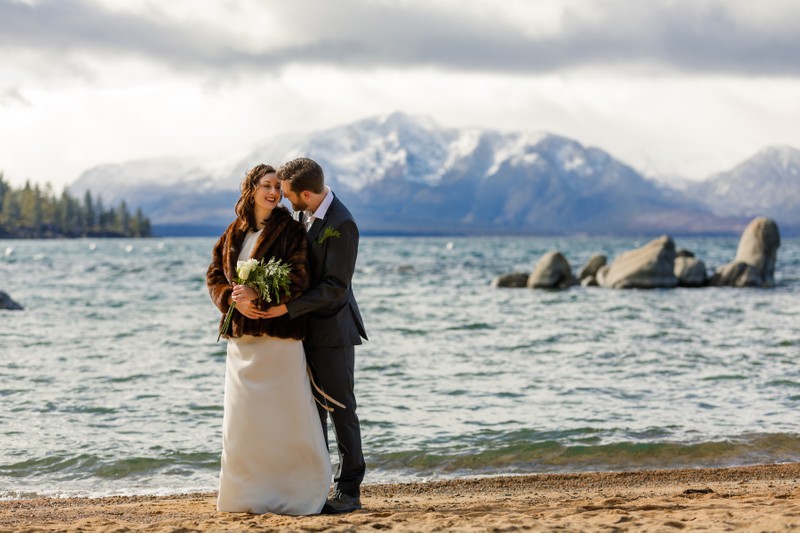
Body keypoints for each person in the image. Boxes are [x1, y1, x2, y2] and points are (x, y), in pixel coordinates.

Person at [206, 164, 331, 515]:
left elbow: (299, 278)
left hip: (279, 340)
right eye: (267, 185)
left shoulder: (291, 231)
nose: (274, 192)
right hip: (242, 343)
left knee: (286, 418)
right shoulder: (233, 231)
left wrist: (258, 297)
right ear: (251, 189)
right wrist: (229, 298)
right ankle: (246, 496)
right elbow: (215, 274)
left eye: (278, 186)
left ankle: (299, 492)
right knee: (245, 422)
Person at [263, 157, 368, 514]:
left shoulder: (343, 224)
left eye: (289, 194)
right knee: (312, 412)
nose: (285, 199)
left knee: (341, 410)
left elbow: (336, 288)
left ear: (306, 193)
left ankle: (349, 490)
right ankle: (315, 483)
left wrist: (286, 309)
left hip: (333, 332)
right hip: (304, 332)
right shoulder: (303, 215)